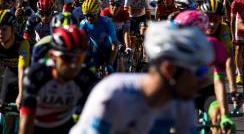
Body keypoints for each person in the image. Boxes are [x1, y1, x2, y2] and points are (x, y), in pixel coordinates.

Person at [70, 21, 214, 134]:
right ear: (169, 70)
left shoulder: (182, 102)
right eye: (199, 71)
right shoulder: (113, 94)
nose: (206, 79)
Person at [19, 26, 97, 134]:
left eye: (79, 58)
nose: (74, 65)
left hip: (66, 126)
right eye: (67, 58)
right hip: (37, 127)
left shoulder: (86, 78)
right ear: (52, 56)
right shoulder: (36, 75)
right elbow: (26, 125)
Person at [0, 10, 30, 108]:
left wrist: (21, 94)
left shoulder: (22, 44)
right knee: (2, 105)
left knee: (23, 105)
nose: (0, 33)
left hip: (27, 72)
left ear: (12, 30)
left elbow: (22, 70)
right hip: (10, 72)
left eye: (4, 29)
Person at [81, 0, 118, 72]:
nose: (89, 18)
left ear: (98, 12)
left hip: (109, 50)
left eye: (92, 15)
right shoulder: (83, 24)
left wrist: (110, 63)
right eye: (86, 15)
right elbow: (81, 45)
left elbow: (114, 44)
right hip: (96, 50)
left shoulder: (106, 22)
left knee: (114, 74)